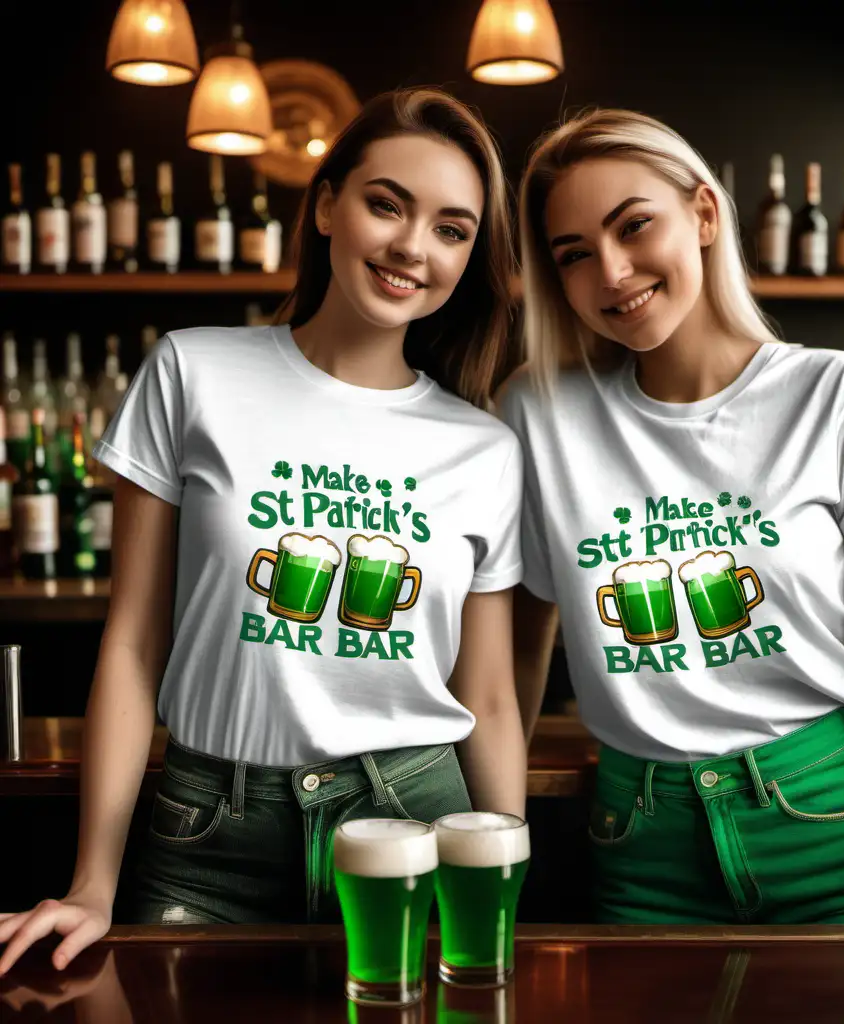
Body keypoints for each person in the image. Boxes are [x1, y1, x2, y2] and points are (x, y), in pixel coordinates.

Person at [0, 87, 526, 973]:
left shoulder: (484, 448)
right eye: (386, 204)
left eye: (451, 228)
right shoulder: (193, 370)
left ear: (469, 257)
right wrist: (93, 881)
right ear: (326, 205)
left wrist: (506, 879)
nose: (411, 246)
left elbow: (492, 695)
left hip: (418, 816)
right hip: (209, 829)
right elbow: (133, 643)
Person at [499, 108, 844, 974]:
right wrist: (492, 848)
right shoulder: (537, 413)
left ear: (703, 215)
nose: (613, 272)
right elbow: (515, 669)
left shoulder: (837, 393)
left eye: (634, 226)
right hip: (643, 845)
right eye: (575, 253)